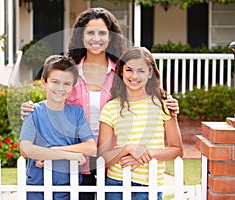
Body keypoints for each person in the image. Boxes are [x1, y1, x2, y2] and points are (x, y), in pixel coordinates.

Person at [20, 7, 180, 200]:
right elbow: (54, 98)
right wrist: (31, 108)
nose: (97, 38)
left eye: (103, 32)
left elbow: (143, 95)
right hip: (77, 160)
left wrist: (167, 103)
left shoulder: (122, 73)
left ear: (111, 36)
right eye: (90, 32)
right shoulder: (70, 71)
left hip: (114, 162)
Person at [97, 46, 184, 200]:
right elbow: (102, 157)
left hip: (149, 186)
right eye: (129, 69)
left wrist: (146, 153)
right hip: (116, 184)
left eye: (141, 70)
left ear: (150, 73)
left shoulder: (163, 105)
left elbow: (177, 150)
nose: (134, 76)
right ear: (121, 71)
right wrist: (128, 148)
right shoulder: (111, 107)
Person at [19, 55, 97, 200]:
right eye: (55, 82)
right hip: (37, 187)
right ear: (44, 82)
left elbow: (91, 147)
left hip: (69, 187)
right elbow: (25, 150)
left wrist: (51, 151)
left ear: (73, 86)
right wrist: (69, 155)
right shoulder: (33, 112)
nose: (60, 88)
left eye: (67, 84)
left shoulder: (76, 113)